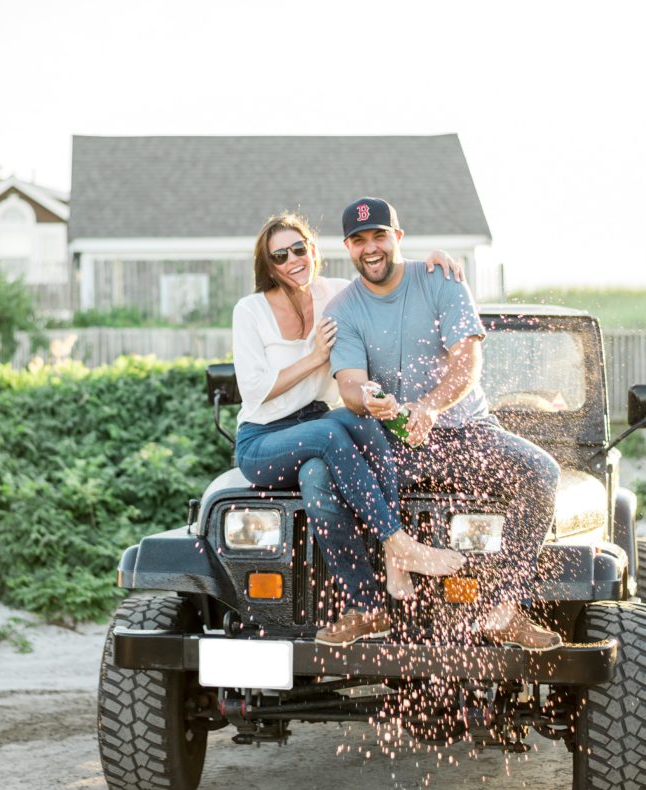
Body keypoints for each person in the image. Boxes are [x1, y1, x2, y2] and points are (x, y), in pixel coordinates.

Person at [325, 197, 562, 651]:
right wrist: (369, 400)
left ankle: (503, 609)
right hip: (392, 441)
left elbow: (467, 361)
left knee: (541, 473)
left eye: (379, 236)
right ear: (347, 248)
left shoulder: (441, 279)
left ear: (399, 237)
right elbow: (350, 386)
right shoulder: (343, 309)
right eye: (359, 241)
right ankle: (362, 606)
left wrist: (430, 407)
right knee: (324, 476)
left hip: (466, 430)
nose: (370, 248)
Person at [232, 211, 465, 646]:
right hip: (263, 439)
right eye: (279, 255)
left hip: (315, 422)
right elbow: (255, 390)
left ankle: (369, 605)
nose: (292, 260)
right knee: (333, 432)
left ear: (313, 251)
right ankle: (397, 541)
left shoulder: (334, 293)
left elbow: (385, 274)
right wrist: (317, 358)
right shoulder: (251, 311)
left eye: (298, 249)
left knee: (341, 450)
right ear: (269, 264)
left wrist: (433, 262)